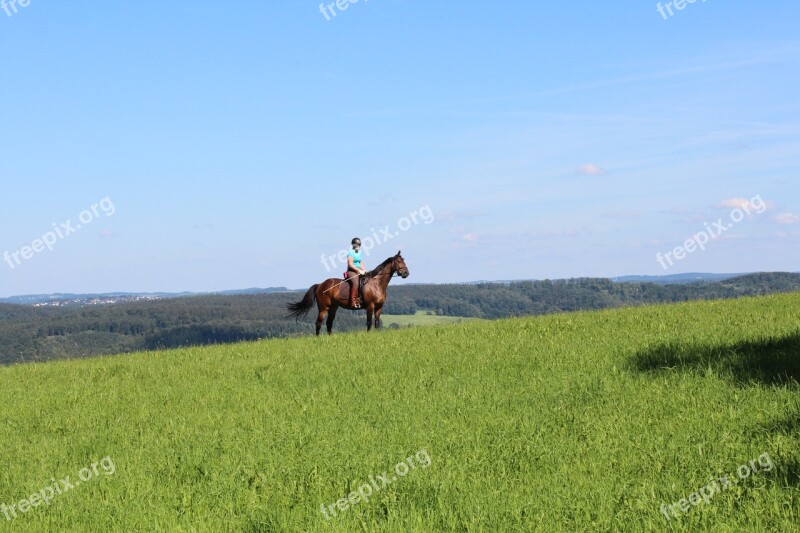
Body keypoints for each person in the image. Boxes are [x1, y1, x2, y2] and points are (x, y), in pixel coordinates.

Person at [346, 237, 366, 308]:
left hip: (359, 271)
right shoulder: (350, 252)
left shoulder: (359, 252)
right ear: (353, 245)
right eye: (357, 244)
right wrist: (358, 270)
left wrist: (364, 270)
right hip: (351, 271)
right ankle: (353, 301)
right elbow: (350, 264)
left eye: (359, 245)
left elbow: (360, 263)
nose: (359, 246)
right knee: (356, 283)